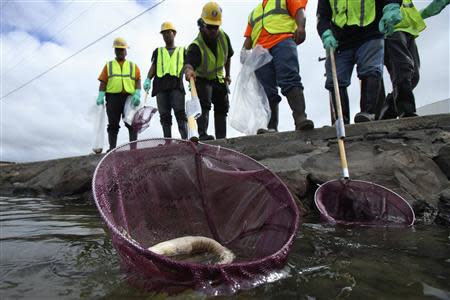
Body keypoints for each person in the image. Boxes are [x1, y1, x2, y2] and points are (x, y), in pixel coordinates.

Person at [317, 0, 402, 124]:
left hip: (370, 33)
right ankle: (341, 120)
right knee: (335, 79)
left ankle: (368, 113)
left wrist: (391, 7)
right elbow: (322, 16)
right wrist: (326, 33)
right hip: (340, 40)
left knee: (371, 70)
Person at [243, 0, 314, 134]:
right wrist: (244, 52)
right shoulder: (254, 13)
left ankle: (300, 118)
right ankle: (271, 126)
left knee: (289, 78)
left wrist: (301, 26)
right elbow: (249, 37)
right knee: (266, 90)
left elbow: (300, 11)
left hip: (282, 41)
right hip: (260, 52)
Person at [378, 0, 449, 119]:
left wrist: (426, 12)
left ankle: (388, 108)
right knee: (403, 70)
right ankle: (406, 110)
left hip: (408, 32)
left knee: (414, 76)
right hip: (391, 31)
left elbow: (407, 14)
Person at [184, 1, 233, 141]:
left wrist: (227, 74)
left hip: (218, 78)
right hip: (202, 79)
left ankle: (222, 138)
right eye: (210, 27)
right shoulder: (196, 45)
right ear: (202, 24)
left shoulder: (223, 36)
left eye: (216, 27)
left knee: (222, 106)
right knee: (204, 101)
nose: (213, 30)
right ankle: (202, 134)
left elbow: (228, 55)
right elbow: (188, 65)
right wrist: (189, 72)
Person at [143, 22, 188, 139]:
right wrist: (148, 78)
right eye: (164, 33)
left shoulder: (182, 51)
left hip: (176, 85)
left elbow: (188, 66)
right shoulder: (158, 51)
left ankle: (185, 139)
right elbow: (154, 67)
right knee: (164, 116)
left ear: (174, 34)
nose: (166, 35)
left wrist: (191, 78)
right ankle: (167, 141)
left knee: (180, 113)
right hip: (160, 86)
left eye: (169, 32)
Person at [96, 37, 142, 152]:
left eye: (122, 49)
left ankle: (133, 149)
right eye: (118, 49)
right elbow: (103, 81)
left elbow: (138, 80)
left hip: (129, 98)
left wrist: (137, 93)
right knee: (113, 124)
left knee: (131, 123)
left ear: (126, 51)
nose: (120, 52)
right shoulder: (109, 65)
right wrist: (101, 95)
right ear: (115, 51)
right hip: (113, 98)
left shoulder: (133, 66)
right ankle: (112, 148)